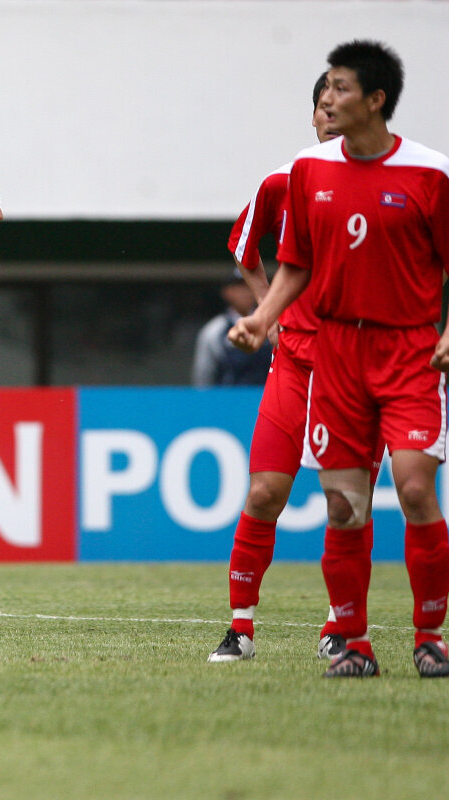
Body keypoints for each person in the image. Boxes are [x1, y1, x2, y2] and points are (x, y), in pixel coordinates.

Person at [229, 40, 449, 679]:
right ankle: (352, 643)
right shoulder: (306, 172)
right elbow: (295, 262)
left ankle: (429, 637)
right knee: (343, 505)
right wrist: (263, 318)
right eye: (324, 88)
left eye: (341, 88)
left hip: (408, 351)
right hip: (335, 355)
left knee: (414, 489)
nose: (327, 99)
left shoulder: (430, 174)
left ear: (376, 100)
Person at [210, 73, 360, 663]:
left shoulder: (391, 183)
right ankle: (240, 628)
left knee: (345, 504)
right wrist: (269, 313)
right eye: (323, 106)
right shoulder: (284, 180)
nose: (331, 115)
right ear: (313, 117)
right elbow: (243, 246)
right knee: (265, 491)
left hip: (356, 366)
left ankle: (339, 626)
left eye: (342, 104)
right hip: (294, 362)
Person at [191, 271, 272, 387]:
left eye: (248, 286)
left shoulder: (272, 325)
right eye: (239, 287)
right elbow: (203, 377)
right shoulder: (214, 330)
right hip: (227, 396)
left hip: (267, 394)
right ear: (227, 292)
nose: (245, 292)